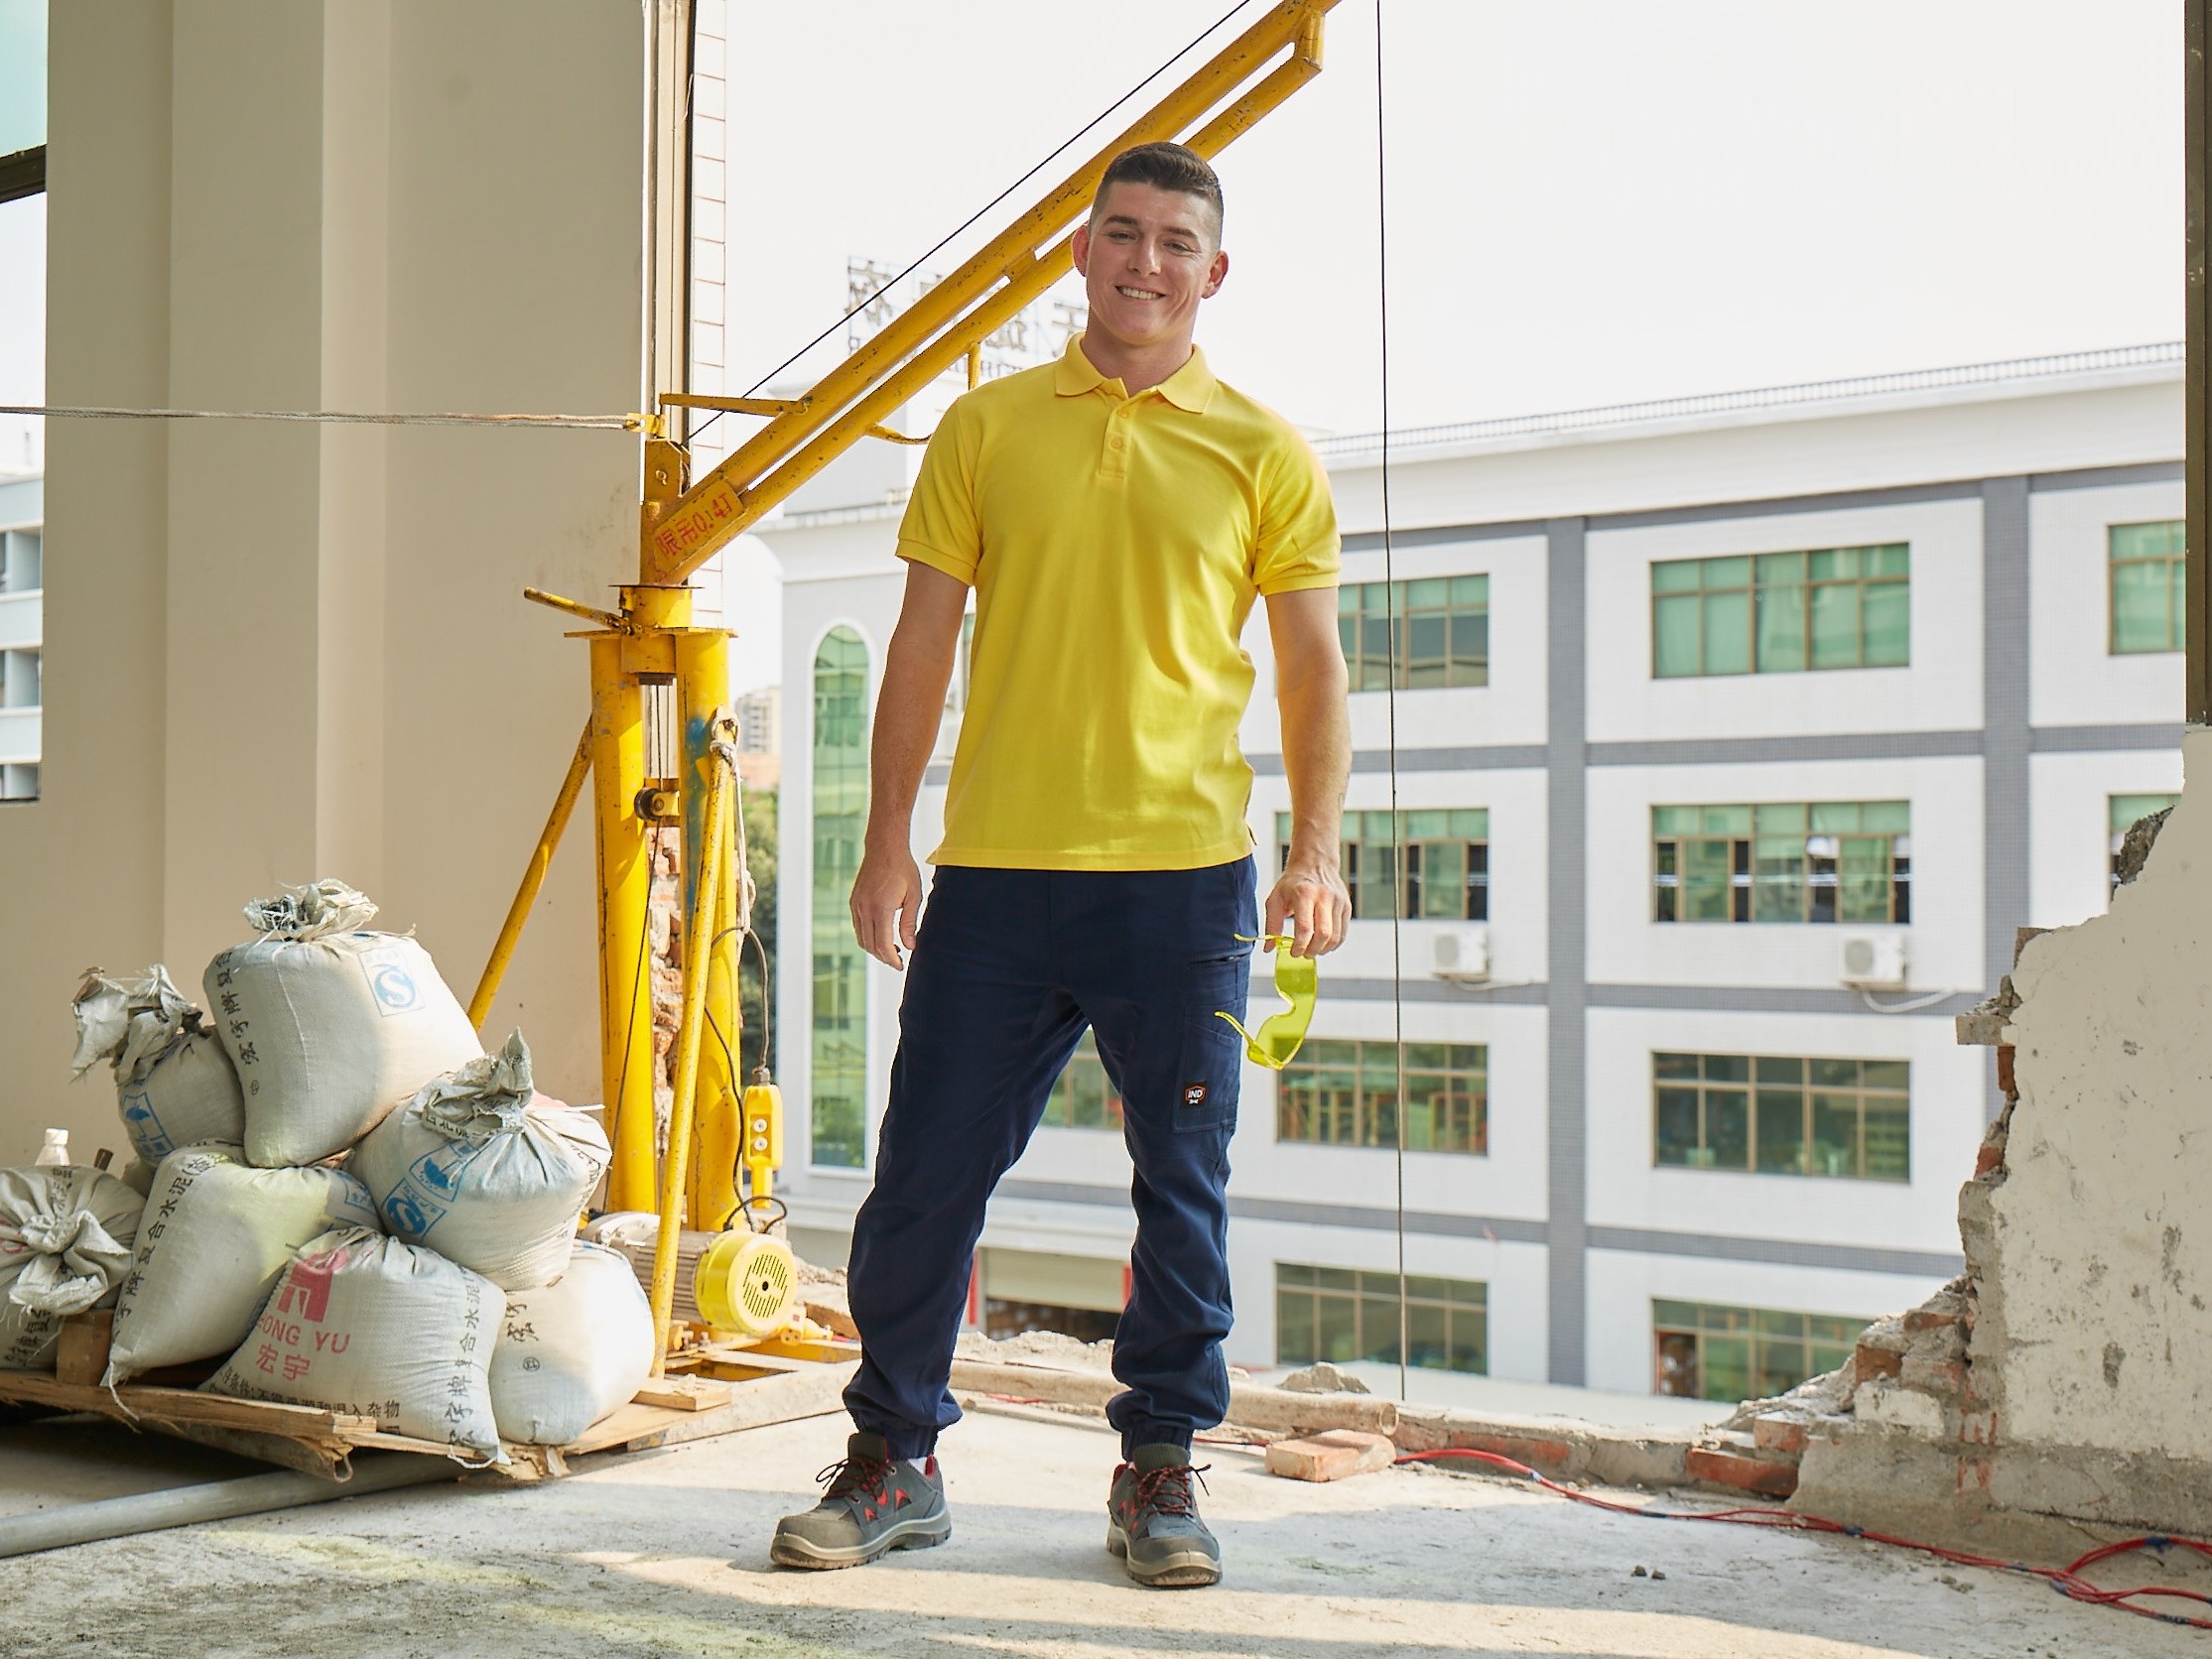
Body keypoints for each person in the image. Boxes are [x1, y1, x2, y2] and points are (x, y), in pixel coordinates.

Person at [771, 141, 1352, 1590]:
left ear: (1211, 274)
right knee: (922, 1182)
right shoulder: (984, 428)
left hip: (1187, 880)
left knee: (1184, 1190)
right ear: (1080, 255)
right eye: (1122, 234)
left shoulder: (1263, 451)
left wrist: (1317, 853)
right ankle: (892, 1455)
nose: (1144, 261)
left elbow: (1310, 668)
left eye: (1174, 243)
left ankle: (1160, 1465)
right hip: (999, 881)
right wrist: (883, 834)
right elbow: (920, 640)